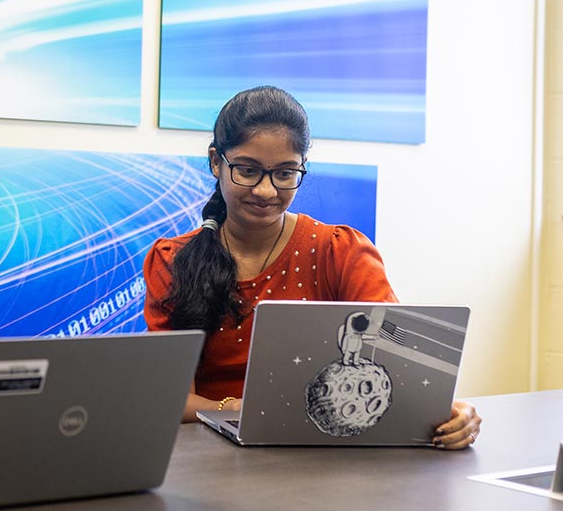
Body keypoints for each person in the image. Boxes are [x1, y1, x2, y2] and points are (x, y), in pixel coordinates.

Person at [143, 86, 481, 449]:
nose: (266, 191)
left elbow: (398, 368)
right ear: (216, 162)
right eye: (247, 170)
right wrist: (238, 410)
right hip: (207, 457)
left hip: (323, 461)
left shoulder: (341, 252)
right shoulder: (173, 260)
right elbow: (169, 398)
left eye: (285, 174)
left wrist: (450, 412)